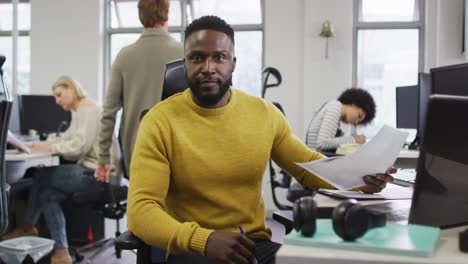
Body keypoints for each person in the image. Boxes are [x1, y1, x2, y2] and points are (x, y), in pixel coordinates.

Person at [127, 16, 393, 264]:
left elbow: (309, 166)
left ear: (233, 63)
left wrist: (359, 181)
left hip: (252, 245)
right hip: (193, 249)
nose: (209, 68)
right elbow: (141, 210)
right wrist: (203, 239)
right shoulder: (159, 121)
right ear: (185, 62)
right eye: (197, 58)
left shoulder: (264, 114)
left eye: (219, 57)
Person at [1, 76, 121, 264]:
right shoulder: (82, 110)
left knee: (40, 176)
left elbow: (76, 149)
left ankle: (27, 225)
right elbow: (66, 139)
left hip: (97, 174)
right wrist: (39, 145)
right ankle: (61, 252)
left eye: (59, 95)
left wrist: (46, 147)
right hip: (92, 171)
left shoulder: (88, 110)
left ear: (72, 89)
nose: (57, 101)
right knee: (48, 195)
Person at [96, 0, 183, 181]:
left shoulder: (124, 56)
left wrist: (103, 157)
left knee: (141, 206)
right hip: (177, 151)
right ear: (167, 13)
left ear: (140, 16)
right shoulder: (184, 53)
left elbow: (109, 112)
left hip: (136, 151)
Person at [305, 88, 376, 152]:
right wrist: (354, 139)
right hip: (315, 162)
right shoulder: (335, 107)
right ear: (354, 103)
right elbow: (322, 143)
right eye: (359, 116)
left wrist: (351, 138)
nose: (356, 122)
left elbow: (333, 141)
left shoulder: (335, 109)